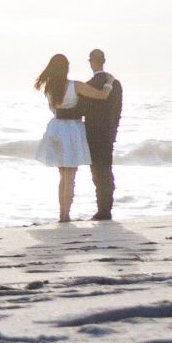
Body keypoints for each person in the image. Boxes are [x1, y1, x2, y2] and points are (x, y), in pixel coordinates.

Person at [32, 54, 115, 222]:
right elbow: (102, 95)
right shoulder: (75, 86)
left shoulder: (49, 89)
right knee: (70, 175)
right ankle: (65, 216)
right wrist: (110, 81)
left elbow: (53, 110)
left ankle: (62, 213)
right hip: (72, 129)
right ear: (66, 68)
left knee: (62, 175)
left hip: (56, 128)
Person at [81, 49, 123, 220]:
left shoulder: (87, 85)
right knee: (107, 169)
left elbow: (82, 110)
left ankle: (101, 209)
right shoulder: (116, 84)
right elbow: (118, 110)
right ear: (104, 61)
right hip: (108, 132)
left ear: (91, 62)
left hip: (91, 132)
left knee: (97, 172)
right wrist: (114, 129)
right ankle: (107, 208)